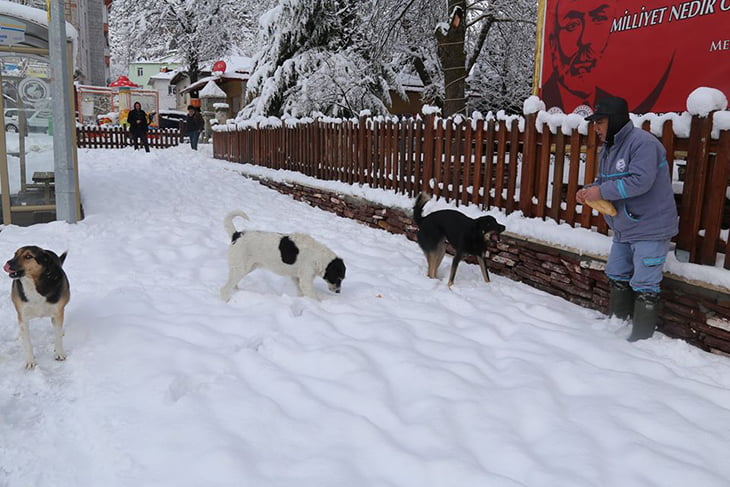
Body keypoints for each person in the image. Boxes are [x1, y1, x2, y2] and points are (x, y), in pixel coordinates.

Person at [576, 96, 678, 341]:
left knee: (645, 282)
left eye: (599, 122)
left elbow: (640, 181)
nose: (596, 128)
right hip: (624, 226)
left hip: (650, 226)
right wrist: (590, 189)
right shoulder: (610, 147)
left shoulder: (643, 144)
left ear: (614, 120)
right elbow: (606, 181)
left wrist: (601, 191)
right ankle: (618, 323)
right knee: (617, 272)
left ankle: (641, 338)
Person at [542, 0, 614, 113]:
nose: (585, 40)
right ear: (553, 42)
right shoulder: (543, 102)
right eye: (572, 25)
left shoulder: (614, 105)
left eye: (598, 19)